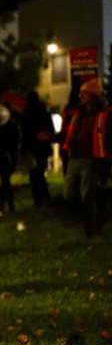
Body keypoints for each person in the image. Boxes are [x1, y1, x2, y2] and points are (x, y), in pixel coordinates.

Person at [62, 78, 112, 237]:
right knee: (69, 195)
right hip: (74, 159)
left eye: (85, 93)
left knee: (87, 196)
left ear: (94, 95)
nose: (82, 96)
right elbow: (68, 134)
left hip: (91, 159)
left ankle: (90, 229)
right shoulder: (78, 113)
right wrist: (51, 137)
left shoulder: (104, 114)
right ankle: (98, 211)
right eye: (81, 92)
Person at [21, 92, 55, 207]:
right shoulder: (44, 113)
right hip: (42, 146)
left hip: (30, 147)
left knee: (34, 173)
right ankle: (44, 196)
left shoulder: (26, 113)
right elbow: (51, 129)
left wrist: (24, 150)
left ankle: (38, 198)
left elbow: (25, 133)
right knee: (40, 171)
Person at [0, 104, 19, 212]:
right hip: (3, 156)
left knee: (5, 181)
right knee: (5, 180)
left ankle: (5, 203)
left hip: (7, 157)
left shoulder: (6, 128)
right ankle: (8, 203)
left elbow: (10, 143)